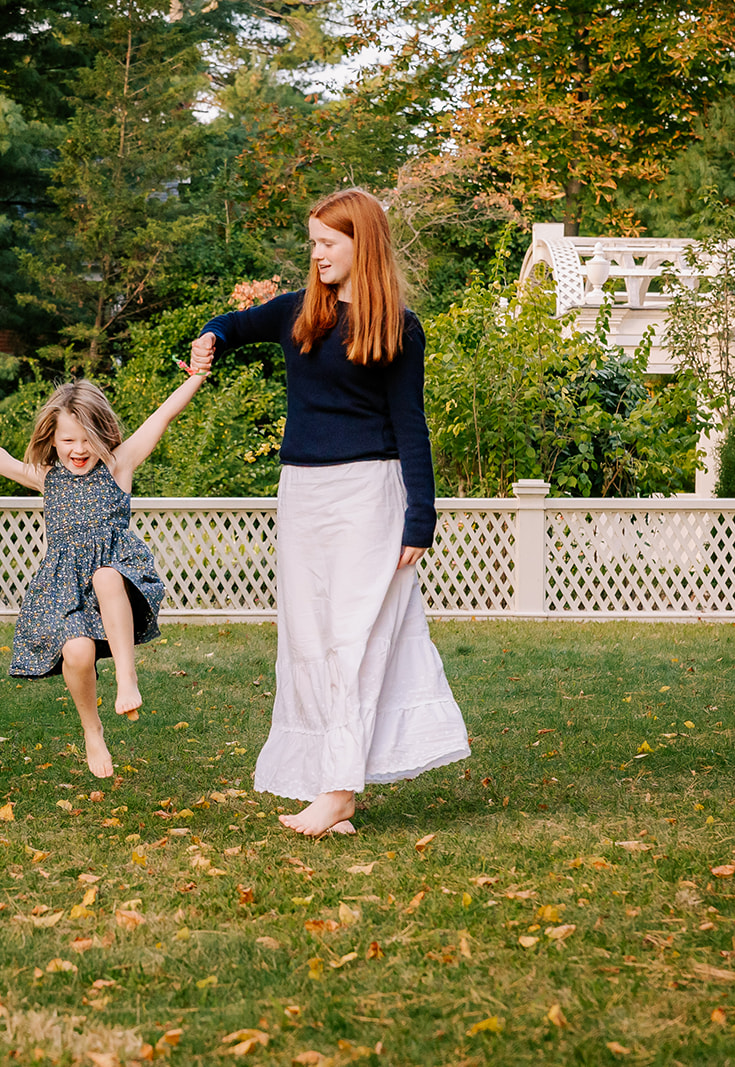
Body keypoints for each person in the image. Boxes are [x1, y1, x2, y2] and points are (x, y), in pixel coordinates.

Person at [190, 188, 470, 837]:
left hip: (370, 496)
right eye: (312, 241)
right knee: (311, 639)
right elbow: (234, 326)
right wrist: (209, 337)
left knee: (357, 638)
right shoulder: (297, 313)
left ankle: (340, 793)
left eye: (326, 243)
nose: (314, 253)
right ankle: (328, 781)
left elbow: (411, 425)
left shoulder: (398, 326)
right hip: (303, 496)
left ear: (360, 244)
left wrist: (420, 517)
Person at [0, 359, 210, 778]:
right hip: (66, 590)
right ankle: (92, 731)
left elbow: (162, 415)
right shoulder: (49, 478)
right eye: (68, 440)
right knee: (76, 653)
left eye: (87, 440)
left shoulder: (119, 465)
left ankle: (127, 679)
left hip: (119, 580)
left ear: (104, 436)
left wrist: (198, 377)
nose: (78, 450)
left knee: (105, 575)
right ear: (53, 439)